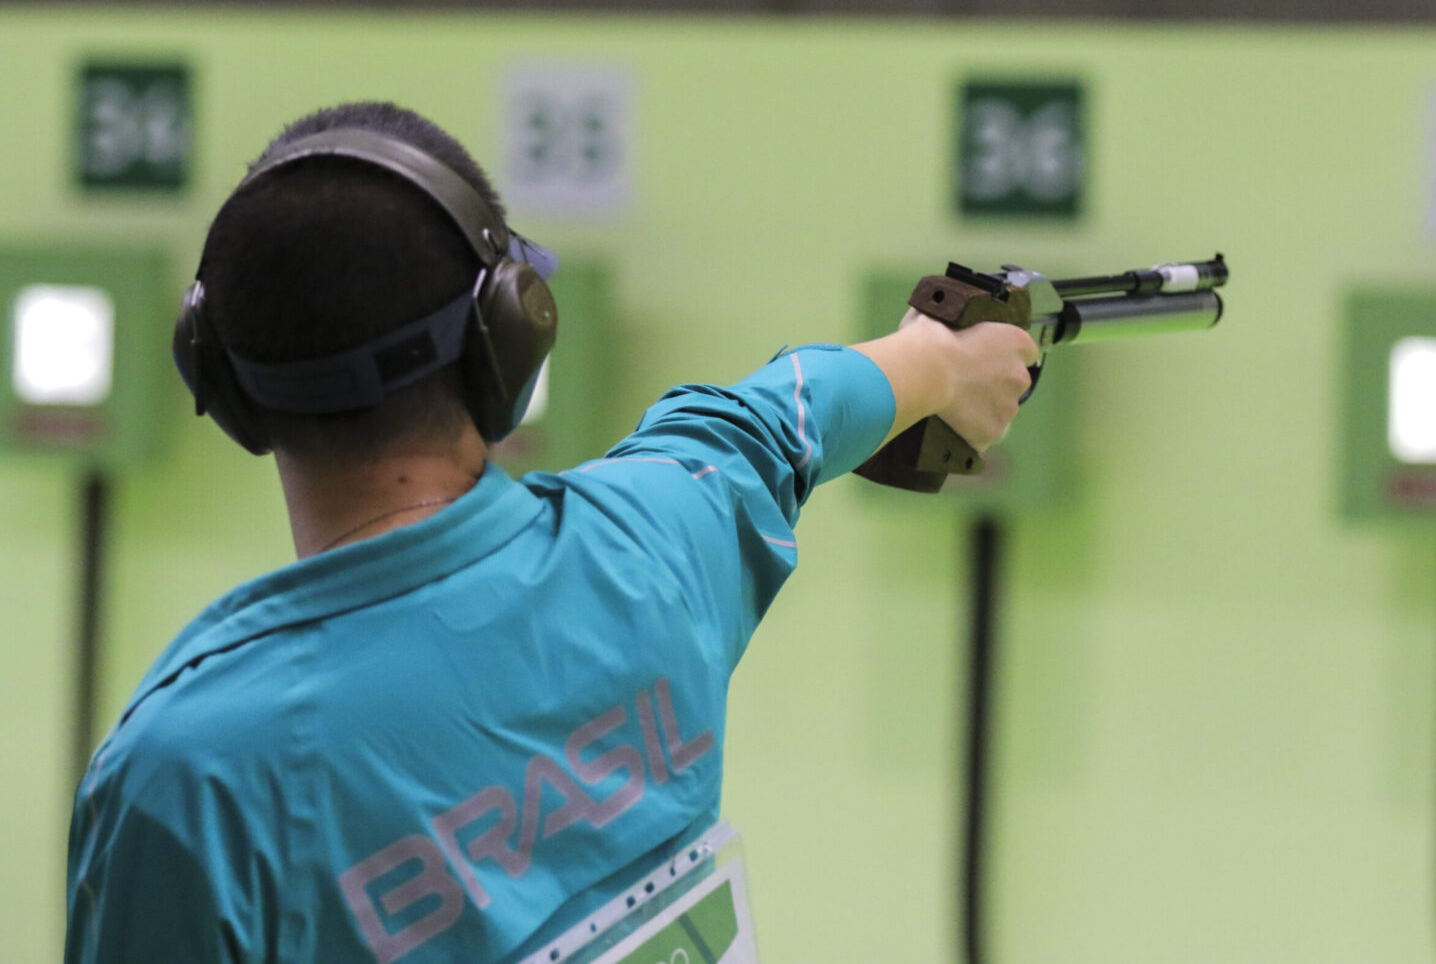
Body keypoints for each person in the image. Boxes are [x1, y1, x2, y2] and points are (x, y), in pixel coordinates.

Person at [64, 101, 1036, 963]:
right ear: (510, 330)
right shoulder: (656, 534)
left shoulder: (187, 775)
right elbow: (796, 409)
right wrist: (942, 362)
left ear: (219, 381)